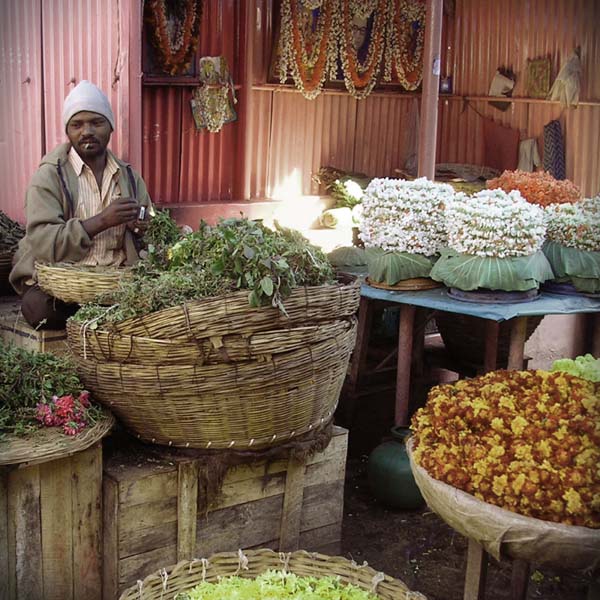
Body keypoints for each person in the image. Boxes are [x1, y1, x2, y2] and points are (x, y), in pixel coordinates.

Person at [10, 80, 153, 329]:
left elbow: (152, 226)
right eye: (77, 125)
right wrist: (101, 221)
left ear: (110, 127)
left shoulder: (129, 177)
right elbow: (42, 241)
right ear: (68, 131)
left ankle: (103, 316)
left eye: (96, 123)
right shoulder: (49, 176)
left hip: (115, 281)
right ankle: (102, 319)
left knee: (154, 301)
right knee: (40, 311)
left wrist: (141, 226)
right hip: (63, 284)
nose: (86, 131)